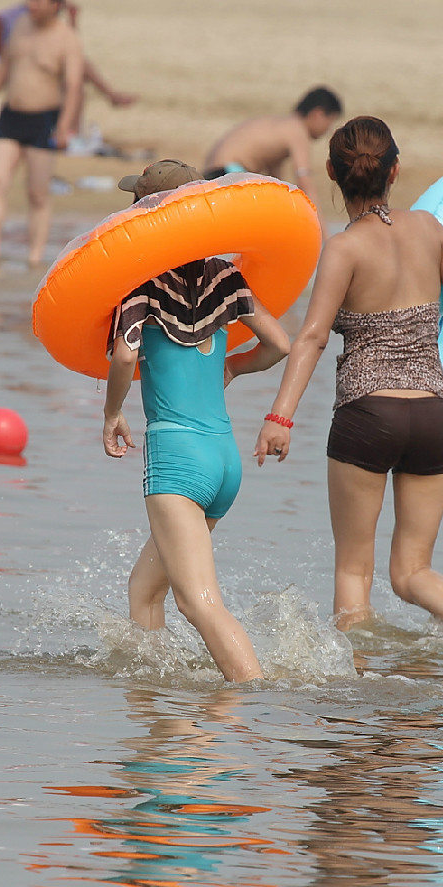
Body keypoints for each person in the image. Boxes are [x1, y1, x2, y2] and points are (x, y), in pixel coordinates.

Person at [253, 116, 443, 644]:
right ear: (396, 171)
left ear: (332, 175)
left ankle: (355, 703)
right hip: (430, 414)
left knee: (353, 572)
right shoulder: (429, 230)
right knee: (412, 573)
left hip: (368, 415)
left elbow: (312, 338)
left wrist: (279, 417)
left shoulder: (344, 249)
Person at [102, 160, 295, 683]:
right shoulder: (226, 276)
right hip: (223, 460)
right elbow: (279, 344)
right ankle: (158, 720)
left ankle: (252, 701)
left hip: (176, 460)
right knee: (145, 590)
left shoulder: (140, 285)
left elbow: (124, 358)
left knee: (199, 603)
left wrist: (113, 413)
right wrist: (232, 365)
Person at [0, 0, 84, 266]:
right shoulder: (21, 26)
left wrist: (64, 126)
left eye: (37, 0)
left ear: (55, 4)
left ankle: (35, 257)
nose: (30, 5)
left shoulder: (67, 39)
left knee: (37, 193)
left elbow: (74, 86)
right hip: (10, 115)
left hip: (44, 120)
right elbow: (5, 66)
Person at [0, 0, 136, 154]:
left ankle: (77, 125)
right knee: (77, 77)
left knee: (78, 73)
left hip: (46, 71)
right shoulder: (22, 17)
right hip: (27, 75)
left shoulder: (51, 25)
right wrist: (2, 52)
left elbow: (70, 48)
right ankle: (76, 128)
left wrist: (72, 19)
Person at [203, 87, 342, 212]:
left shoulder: (281, 127)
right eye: (330, 122)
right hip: (230, 173)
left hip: (212, 174)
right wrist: (324, 234)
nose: (328, 130)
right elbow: (305, 182)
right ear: (317, 114)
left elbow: (276, 184)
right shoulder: (298, 130)